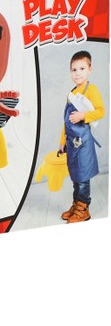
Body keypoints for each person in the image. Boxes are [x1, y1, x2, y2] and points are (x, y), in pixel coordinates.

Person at [59, 50, 105, 223]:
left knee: (83, 177)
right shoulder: (71, 94)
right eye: (74, 70)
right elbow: (65, 121)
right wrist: (62, 142)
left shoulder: (91, 90)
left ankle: (83, 209)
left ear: (89, 69)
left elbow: (101, 111)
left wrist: (82, 116)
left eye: (82, 69)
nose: (77, 73)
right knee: (76, 176)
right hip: (71, 143)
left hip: (83, 143)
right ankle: (76, 204)